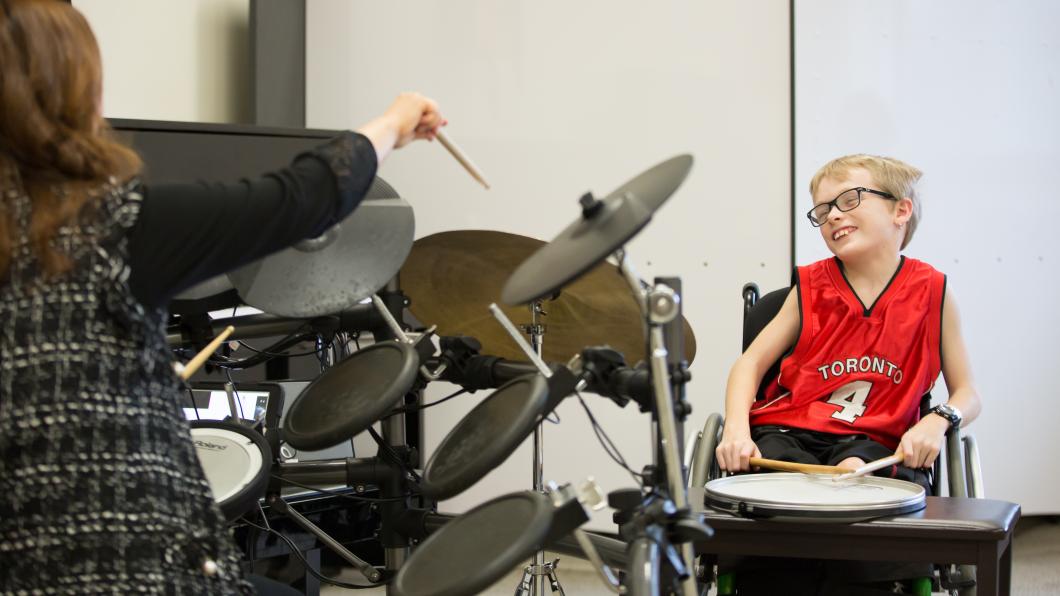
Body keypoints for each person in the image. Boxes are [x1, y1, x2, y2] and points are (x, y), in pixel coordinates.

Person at [0, 0, 444, 593]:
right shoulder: (111, 226)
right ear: (73, 94)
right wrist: (392, 122)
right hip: (127, 567)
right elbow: (301, 199)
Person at [714, 154, 982, 594]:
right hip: (789, 432)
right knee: (787, 485)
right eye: (822, 210)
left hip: (879, 443)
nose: (832, 214)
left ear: (900, 210)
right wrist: (736, 429)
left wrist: (938, 421)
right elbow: (750, 363)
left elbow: (968, 392)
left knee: (863, 475)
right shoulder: (811, 288)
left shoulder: (934, 292)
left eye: (849, 199)